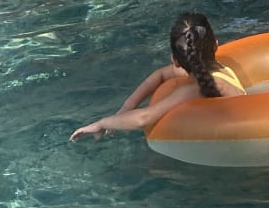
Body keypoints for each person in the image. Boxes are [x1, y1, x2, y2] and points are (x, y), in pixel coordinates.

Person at [70, 12, 244, 141]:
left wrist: (101, 124)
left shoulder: (193, 89)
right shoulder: (221, 70)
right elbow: (160, 75)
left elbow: (143, 119)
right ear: (215, 46)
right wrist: (126, 108)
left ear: (175, 61)